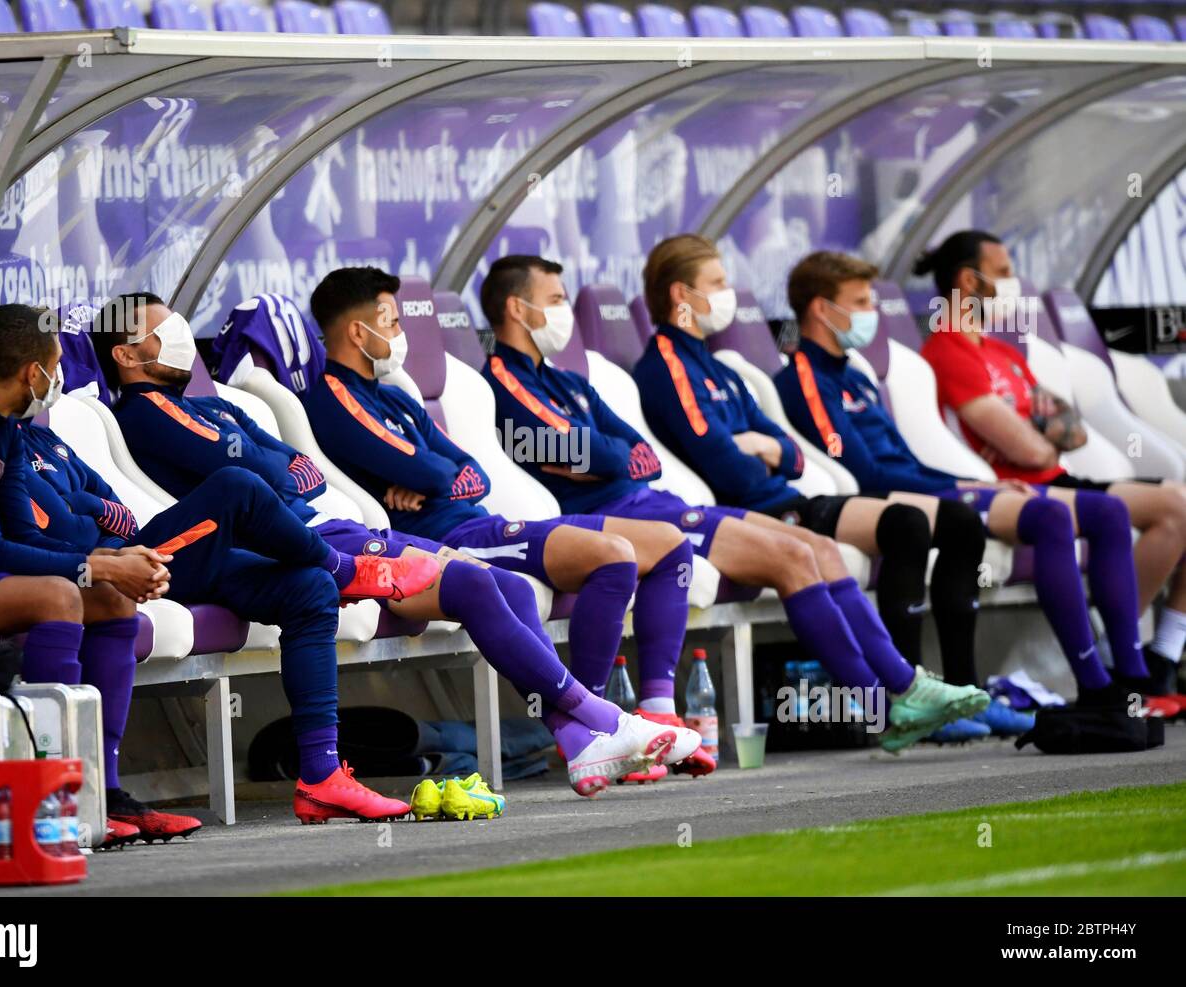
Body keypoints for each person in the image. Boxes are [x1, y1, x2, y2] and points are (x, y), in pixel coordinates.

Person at [90, 293, 698, 796]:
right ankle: (601, 720)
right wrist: (282, 466)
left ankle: (579, 738)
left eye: (175, 319)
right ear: (125, 353)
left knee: (506, 585)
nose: (175, 332)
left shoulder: (214, 406)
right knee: (473, 581)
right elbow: (269, 476)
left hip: (332, 526)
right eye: (158, 327)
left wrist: (283, 466)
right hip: (293, 545)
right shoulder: (146, 412)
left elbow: (304, 470)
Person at [479, 255, 991, 753]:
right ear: (518, 309)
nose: (565, 309)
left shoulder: (570, 382)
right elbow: (594, 452)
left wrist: (606, 455)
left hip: (657, 500)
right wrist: (606, 455)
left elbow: (641, 456)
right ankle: (885, 703)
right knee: (793, 557)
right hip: (614, 518)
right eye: (555, 299)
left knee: (819, 548)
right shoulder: (502, 380)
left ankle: (903, 687)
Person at [303, 266, 712, 779]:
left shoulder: (398, 395)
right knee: (613, 556)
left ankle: (611, 725)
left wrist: (439, 478)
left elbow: (471, 473)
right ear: (359, 331)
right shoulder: (332, 395)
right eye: (393, 321)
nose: (403, 334)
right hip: (444, 538)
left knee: (660, 546)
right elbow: (430, 467)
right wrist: (437, 476)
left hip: (482, 520)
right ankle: (600, 727)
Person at [633, 234, 1017, 740]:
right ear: (683, 295)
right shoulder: (666, 365)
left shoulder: (717, 365)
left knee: (889, 531)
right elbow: (729, 469)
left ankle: (905, 695)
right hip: (739, 511)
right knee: (857, 537)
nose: (730, 294)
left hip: (784, 501)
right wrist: (760, 453)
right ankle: (896, 700)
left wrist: (766, 448)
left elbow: (788, 452)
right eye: (719, 283)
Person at [774, 250, 1184, 715]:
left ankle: (1131, 676)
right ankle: (1093, 686)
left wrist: (972, 481)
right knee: (1044, 515)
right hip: (889, 499)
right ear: (822, 309)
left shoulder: (856, 375)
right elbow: (866, 472)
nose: (872, 314)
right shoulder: (803, 378)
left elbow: (905, 457)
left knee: (1109, 512)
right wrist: (978, 486)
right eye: (862, 302)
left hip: (928, 484)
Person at [916, 231, 1186, 705]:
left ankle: (1162, 654)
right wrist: (1044, 432)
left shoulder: (1002, 351)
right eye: (1003, 272)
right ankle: (1119, 655)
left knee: (1180, 503)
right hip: (1008, 489)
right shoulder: (946, 351)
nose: (1014, 283)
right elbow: (1033, 449)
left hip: (1056, 478)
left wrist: (1045, 432)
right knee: (1164, 512)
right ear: (967, 280)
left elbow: (1072, 432)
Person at [0, 304, 196, 844]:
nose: (61, 376)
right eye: (57, 363)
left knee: (112, 598)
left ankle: (103, 792)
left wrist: (111, 566)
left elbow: (24, 534)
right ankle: (54, 794)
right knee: (62, 597)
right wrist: (92, 564)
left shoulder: (10, 427)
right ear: (32, 372)